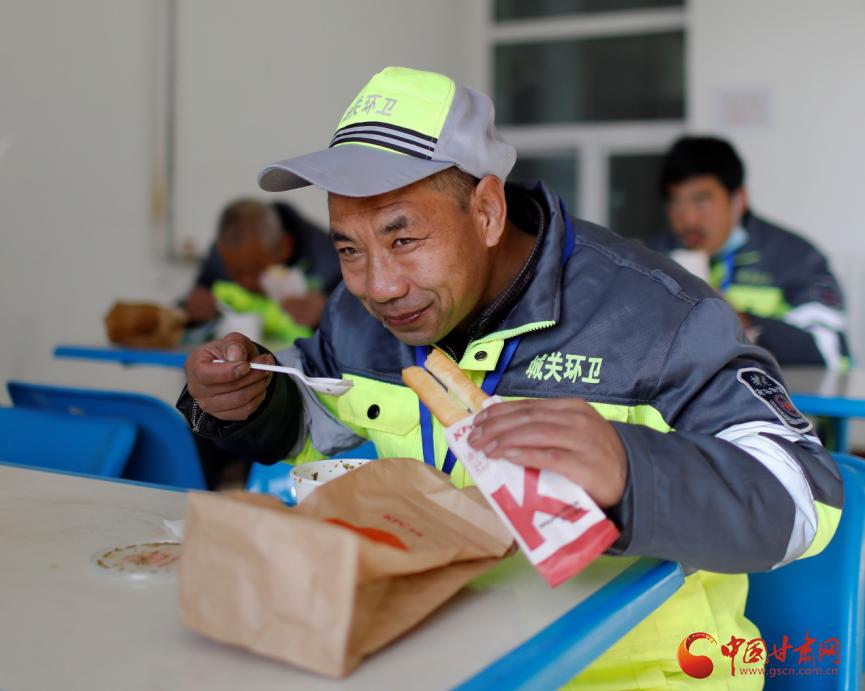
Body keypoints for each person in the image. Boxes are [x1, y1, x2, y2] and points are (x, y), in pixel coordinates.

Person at [177, 67, 842, 687]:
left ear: (488, 211)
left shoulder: (658, 316)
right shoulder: (361, 317)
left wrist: (631, 470)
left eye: (402, 238)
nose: (377, 283)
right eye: (349, 246)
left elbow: (805, 498)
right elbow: (318, 413)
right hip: (443, 657)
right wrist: (250, 402)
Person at [648, 135, 849, 370]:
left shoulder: (794, 256)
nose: (688, 219)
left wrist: (741, 323)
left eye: (701, 201)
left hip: (775, 399)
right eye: (676, 203)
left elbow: (829, 350)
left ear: (739, 200)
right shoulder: (651, 256)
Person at [183, 198, 341, 328]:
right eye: (235, 273)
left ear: (285, 246)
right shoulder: (221, 256)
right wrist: (192, 312)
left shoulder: (329, 261)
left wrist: (327, 314)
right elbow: (190, 306)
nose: (247, 283)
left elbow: (357, 328)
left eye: (256, 270)